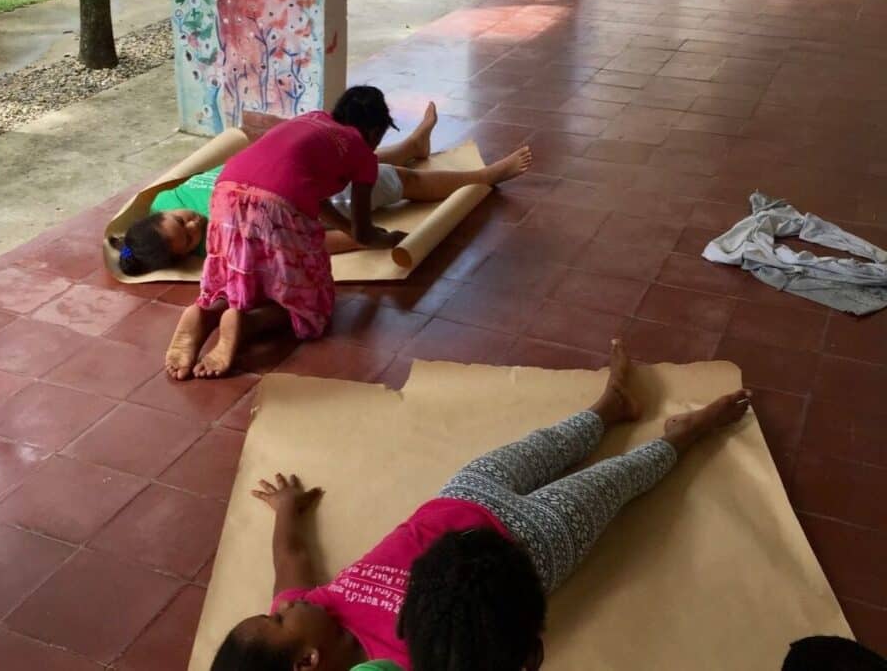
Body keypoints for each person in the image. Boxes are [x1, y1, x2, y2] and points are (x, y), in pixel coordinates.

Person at [209, 340, 754, 671]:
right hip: (528, 546)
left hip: (461, 497)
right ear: (308, 660)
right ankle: (683, 436)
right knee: (619, 478)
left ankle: (608, 409)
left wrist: (285, 508)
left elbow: (291, 563)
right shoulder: (398, 662)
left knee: (546, 443)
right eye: (280, 617)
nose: (284, 603)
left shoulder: (313, 604)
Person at [164, 89, 531, 380]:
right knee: (313, 304)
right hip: (276, 204)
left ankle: (208, 309)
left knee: (247, 273)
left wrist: (343, 227)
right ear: (372, 132)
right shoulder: (361, 153)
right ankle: (246, 322)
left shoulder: (312, 121)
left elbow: (312, 193)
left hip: (226, 193)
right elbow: (363, 230)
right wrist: (385, 239)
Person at [114, 102, 532, 279]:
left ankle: (410, 147)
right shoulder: (224, 241)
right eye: (188, 238)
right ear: (190, 253)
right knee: (399, 182)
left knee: (348, 153)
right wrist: (360, 237)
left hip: (289, 168)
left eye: (179, 222)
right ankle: (486, 177)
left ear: (159, 215)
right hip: (315, 201)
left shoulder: (163, 198)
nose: (193, 223)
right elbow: (300, 245)